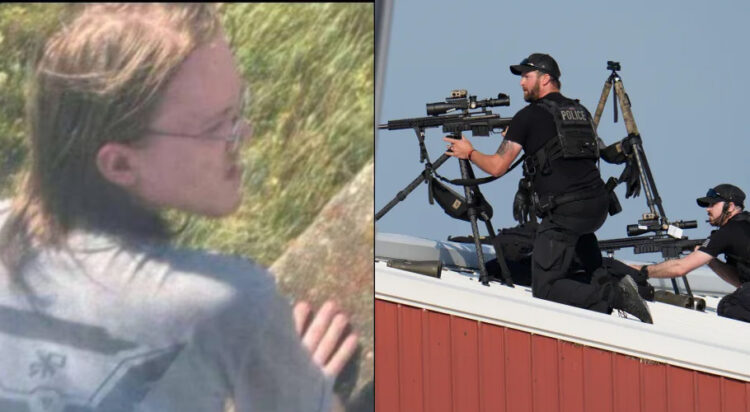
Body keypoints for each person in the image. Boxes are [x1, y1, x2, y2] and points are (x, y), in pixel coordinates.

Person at [0, 4, 357, 411]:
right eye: (215, 127)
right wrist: (293, 384)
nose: (245, 132)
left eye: (239, 107)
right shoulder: (227, 303)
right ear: (119, 164)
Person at [445, 53, 652, 323]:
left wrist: (469, 152)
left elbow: (497, 166)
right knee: (587, 263)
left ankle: (614, 296)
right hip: (596, 206)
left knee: (546, 287)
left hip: (565, 211)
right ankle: (613, 286)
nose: (521, 83)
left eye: (526, 76)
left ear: (545, 79)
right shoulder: (580, 111)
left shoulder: (528, 117)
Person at [631, 184, 750, 323]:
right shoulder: (743, 227)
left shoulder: (728, 232)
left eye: (712, 204)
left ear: (729, 207)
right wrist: (710, 260)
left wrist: (642, 271)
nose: (708, 209)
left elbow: (680, 267)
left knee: (729, 305)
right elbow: (741, 283)